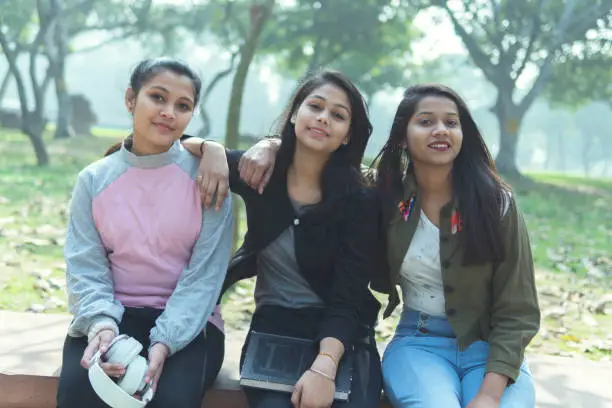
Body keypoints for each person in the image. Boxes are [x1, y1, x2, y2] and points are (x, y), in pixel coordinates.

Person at [184, 69, 383, 408]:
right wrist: (213, 148)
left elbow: (348, 297)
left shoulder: (360, 200)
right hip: (276, 325)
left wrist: (324, 366)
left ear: (348, 134)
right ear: (294, 114)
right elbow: (176, 141)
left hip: (341, 330)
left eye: (338, 115)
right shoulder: (260, 172)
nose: (323, 118)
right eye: (315, 107)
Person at [56, 58, 234, 408]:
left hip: (190, 325)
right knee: (79, 396)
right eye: (158, 97)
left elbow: (204, 278)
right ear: (130, 99)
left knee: (169, 400)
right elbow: (85, 265)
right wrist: (101, 327)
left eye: (182, 106)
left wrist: (165, 341)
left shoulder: (209, 179)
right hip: (111, 314)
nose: (169, 112)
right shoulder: (94, 180)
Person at [369, 84, 540, 408]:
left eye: (451, 122)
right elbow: (327, 171)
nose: (440, 130)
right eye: (426, 121)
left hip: (489, 350)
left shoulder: (495, 204)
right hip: (418, 345)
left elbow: (519, 310)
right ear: (403, 136)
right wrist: (271, 146)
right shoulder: (386, 195)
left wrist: (489, 395)